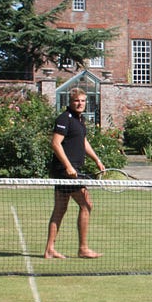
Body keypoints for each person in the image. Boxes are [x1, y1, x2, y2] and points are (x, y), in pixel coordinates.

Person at [43, 88, 104, 259]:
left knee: (60, 209)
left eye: (83, 101)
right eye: (77, 100)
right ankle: (83, 248)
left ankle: (49, 249)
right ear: (70, 101)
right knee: (86, 204)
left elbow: (82, 142)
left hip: (72, 170)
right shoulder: (64, 118)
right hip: (66, 172)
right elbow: (55, 144)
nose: (80, 104)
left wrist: (97, 159)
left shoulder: (79, 120)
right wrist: (69, 167)